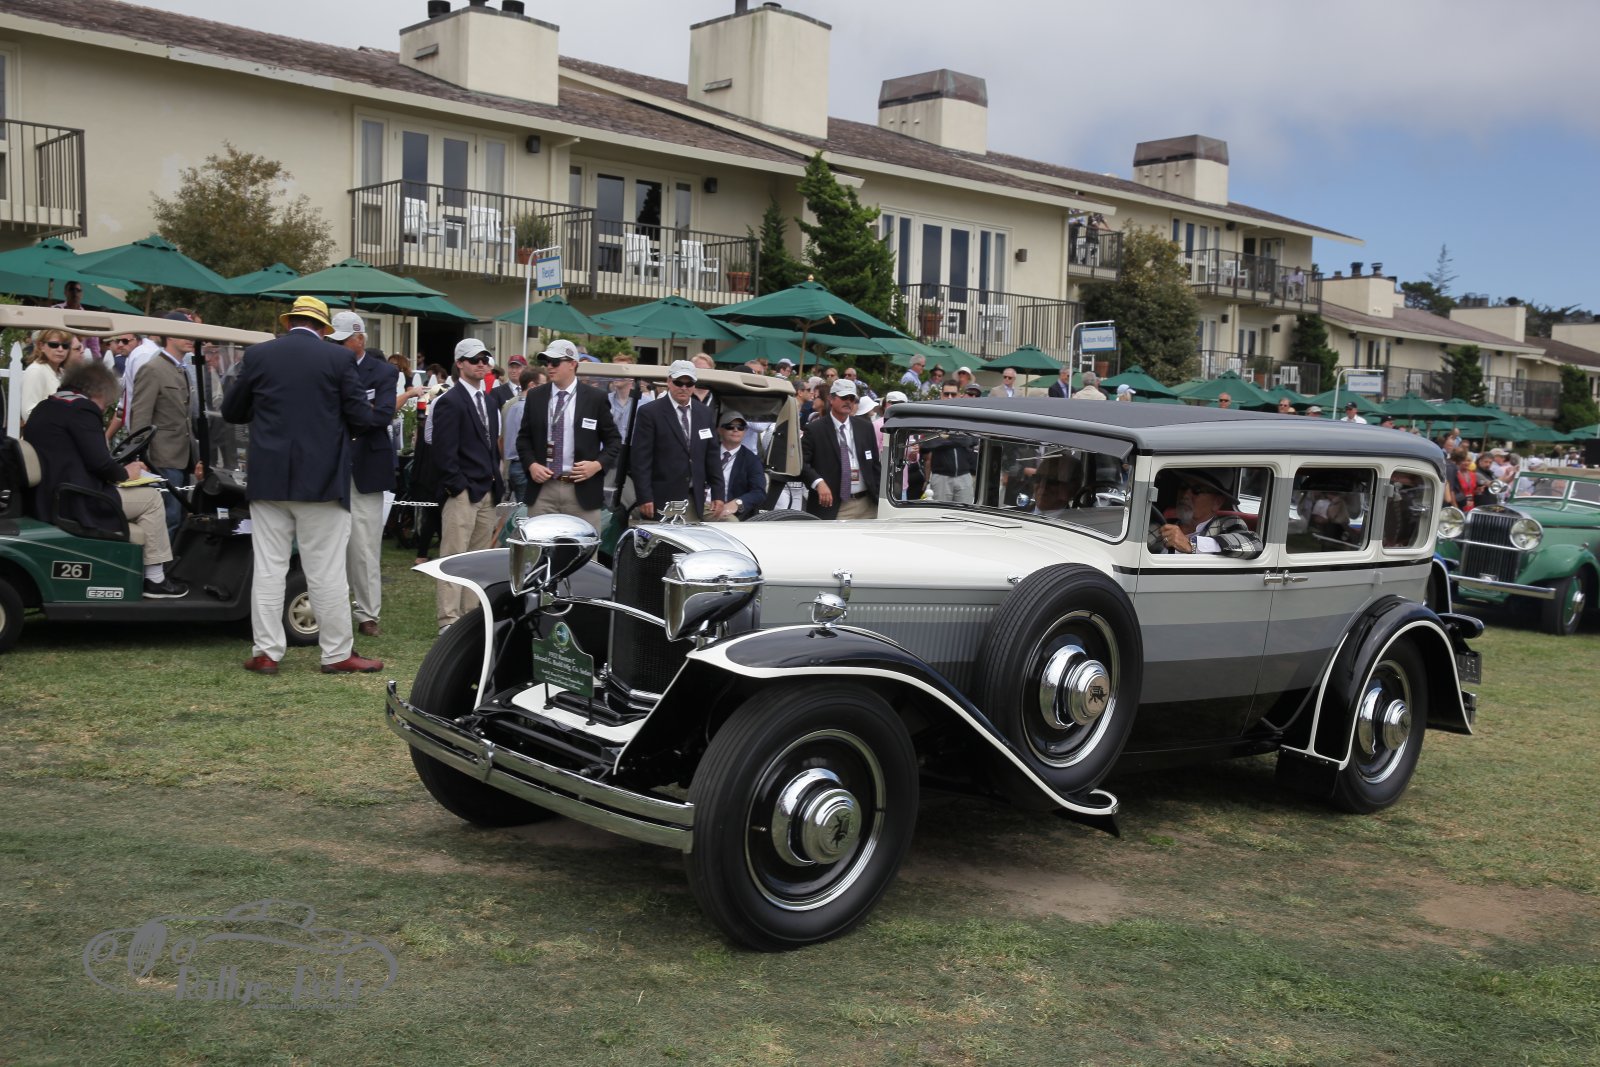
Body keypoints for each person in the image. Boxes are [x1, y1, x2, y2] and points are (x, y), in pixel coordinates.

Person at [220, 295, 389, 675]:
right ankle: (336, 653)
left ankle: (266, 652)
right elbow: (361, 418)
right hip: (322, 481)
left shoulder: (259, 355)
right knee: (326, 570)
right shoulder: (338, 359)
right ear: (324, 329)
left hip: (269, 478)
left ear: (289, 322)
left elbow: (232, 410)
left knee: (269, 568)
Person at [22, 362, 185, 597]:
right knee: (152, 499)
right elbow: (100, 462)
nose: (103, 409)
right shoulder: (82, 409)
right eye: (105, 404)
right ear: (97, 392)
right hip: (75, 500)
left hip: (48, 496)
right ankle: (155, 579)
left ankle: (134, 569)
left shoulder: (47, 406)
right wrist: (126, 473)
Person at [330, 311, 420, 638]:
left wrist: (347, 414)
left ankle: (368, 613)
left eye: (344, 340)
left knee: (365, 546)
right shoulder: (329, 365)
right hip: (333, 463)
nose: (338, 346)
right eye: (335, 341)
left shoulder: (383, 371)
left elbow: (381, 416)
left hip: (366, 464)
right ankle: (334, 609)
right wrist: (360, 412)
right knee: (330, 544)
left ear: (360, 339)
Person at [431, 339, 505, 631]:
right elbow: (443, 451)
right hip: (462, 492)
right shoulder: (449, 401)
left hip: (487, 489)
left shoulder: (489, 401)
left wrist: (495, 481)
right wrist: (457, 487)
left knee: (477, 560)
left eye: (485, 359)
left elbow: (492, 446)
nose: (481, 364)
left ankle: (470, 617)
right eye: (474, 359)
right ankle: (448, 620)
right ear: (460, 363)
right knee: (453, 557)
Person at [516, 338, 621, 532]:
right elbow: (523, 439)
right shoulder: (536, 396)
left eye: (555, 362)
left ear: (573, 364)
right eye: (547, 362)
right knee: (538, 545)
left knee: (584, 547)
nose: (549, 366)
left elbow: (614, 441)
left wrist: (596, 465)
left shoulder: (595, 398)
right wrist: (531, 465)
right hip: (543, 488)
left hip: (582, 488)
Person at [129, 314, 201, 541]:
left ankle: (169, 560)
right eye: (184, 333)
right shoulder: (153, 368)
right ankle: (157, 563)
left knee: (178, 517)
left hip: (182, 456)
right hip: (161, 458)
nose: (190, 338)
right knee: (167, 518)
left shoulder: (181, 368)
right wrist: (139, 457)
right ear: (169, 335)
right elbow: (140, 417)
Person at [629, 359, 723, 522]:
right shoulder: (650, 412)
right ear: (669, 382)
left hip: (695, 495)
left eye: (689, 383)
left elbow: (712, 455)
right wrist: (645, 496)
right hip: (663, 497)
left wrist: (718, 493)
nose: (683, 387)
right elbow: (641, 460)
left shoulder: (704, 413)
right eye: (679, 382)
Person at [801, 379, 881, 520]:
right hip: (834, 505)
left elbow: (875, 465)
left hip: (867, 504)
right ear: (831, 399)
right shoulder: (815, 429)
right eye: (844, 397)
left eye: (852, 398)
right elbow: (802, 463)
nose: (848, 401)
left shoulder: (865, 427)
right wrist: (818, 482)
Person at [1149, 471, 1263, 558]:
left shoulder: (1227, 524)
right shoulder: (1161, 526)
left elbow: (1254, 544)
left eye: (1197, 490)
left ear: (1217, 502)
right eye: (1183, 487)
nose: (1185, 495)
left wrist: (1191, 545)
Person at [711, 409, 765, 521]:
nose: (735, 430)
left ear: (745, 431)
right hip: (701, 504)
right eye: (730, 426)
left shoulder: (751, 460)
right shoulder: (708, 452)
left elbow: (759, 492)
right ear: (719, 430)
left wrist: (738, 503)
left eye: (740, 427)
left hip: (726, 510)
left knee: (731, 522)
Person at [21, 329, 77, 425]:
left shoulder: (61, 372)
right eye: (54, 345)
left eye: (65, 346)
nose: (60, 349)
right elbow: (28, 413)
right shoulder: (36, 371)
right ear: (41, 346)